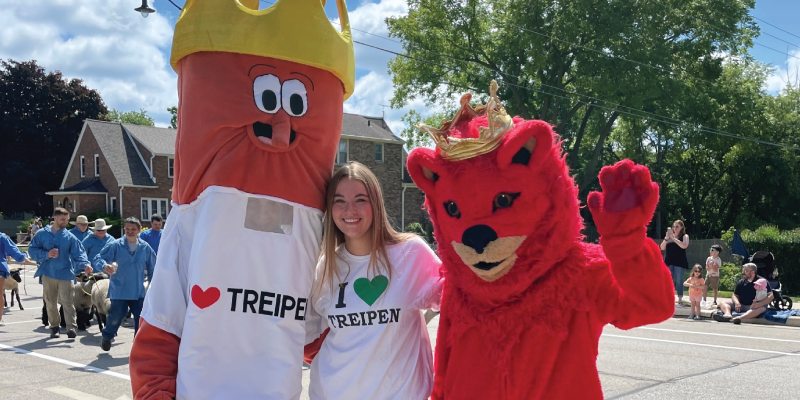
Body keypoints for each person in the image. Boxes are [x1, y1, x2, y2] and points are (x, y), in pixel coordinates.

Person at [304, 162, 443, 400]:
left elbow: (458, 302)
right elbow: (308, 337)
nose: (350, 210)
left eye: (360, 199)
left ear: (376, 203)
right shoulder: (325, 267)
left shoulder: (410, 253)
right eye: (339, 201)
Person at [92, 217, 156, 351]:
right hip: (119, 290)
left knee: (140, 319)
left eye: (133, 229)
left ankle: (138, 345)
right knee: (116, 316)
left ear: (139, 230)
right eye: (127, 229)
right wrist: (104, 266)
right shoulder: (116, 245)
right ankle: (107, 336)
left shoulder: (145, 248)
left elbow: (153, 268)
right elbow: (98, 258)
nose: (130, 231)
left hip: (138, 291)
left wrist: (154, 286)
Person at [28, 207, 92, 338]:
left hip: (65, 274)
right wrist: (46, 254)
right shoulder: (41, 234)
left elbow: (79, 253)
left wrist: (86, 264)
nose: (65, 222)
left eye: (67, 220)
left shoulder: (69, 237)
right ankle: (54, 326)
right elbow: (32, 250)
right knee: (50, 302)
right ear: (55, 218)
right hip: (48, 273)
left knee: (68, 301)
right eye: (63, 219)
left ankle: (71, 328)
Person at [1, 232, 32, 325]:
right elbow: (12, 248)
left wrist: (22, 257)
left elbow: (12, 248)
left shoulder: (2, 237)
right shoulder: (2, 237)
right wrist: (22, 257)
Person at [660, 219, 689, 306]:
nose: (675, 228)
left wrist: (674, 238)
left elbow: (684, 246)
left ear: (681, 227)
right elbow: (662, 248)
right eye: (673, 226)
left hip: (680, 262)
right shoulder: (669, 237)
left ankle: (680, 299)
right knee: (668, 281)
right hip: (669, 261)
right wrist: (666, 238)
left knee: (679, 281)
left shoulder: (684, 236)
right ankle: (668, 298)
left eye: (677, 227)